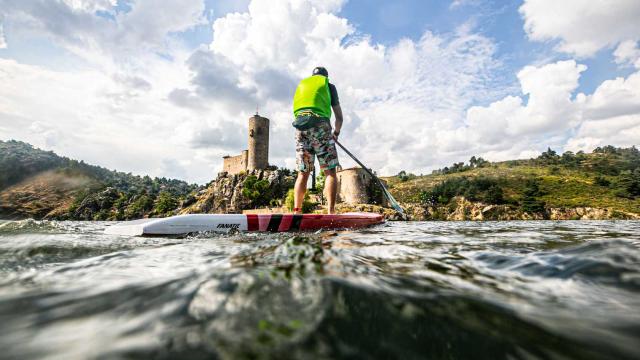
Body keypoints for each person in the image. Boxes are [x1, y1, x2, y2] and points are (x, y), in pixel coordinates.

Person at [291, 66, 343, 214]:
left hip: (301, 128)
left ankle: (297, 211)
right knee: (330, 172)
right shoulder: (328, 86)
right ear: (326, 77)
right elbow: (339, 118)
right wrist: (336, 133)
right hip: (321, 126)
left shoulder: (303, 85)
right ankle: (331, 212)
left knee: (303, 173)